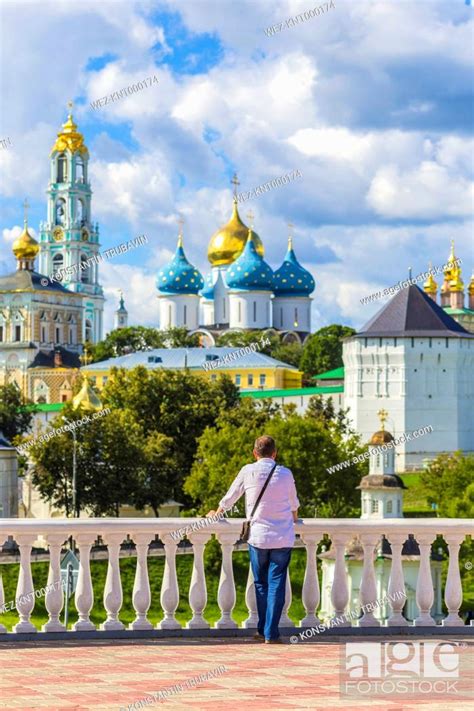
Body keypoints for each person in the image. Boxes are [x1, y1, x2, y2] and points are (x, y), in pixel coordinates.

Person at [207, 434, 299, 644]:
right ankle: (271, 633)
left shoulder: (248, 471)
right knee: (277, 583)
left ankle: (262, 629)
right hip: (283, 537)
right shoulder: (285, 473)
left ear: (254, 453)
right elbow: (294, 505)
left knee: (261, 583)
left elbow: (231, 496)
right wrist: (294, 518)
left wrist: (218, 512)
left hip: (258, 537)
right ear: (275, 454)